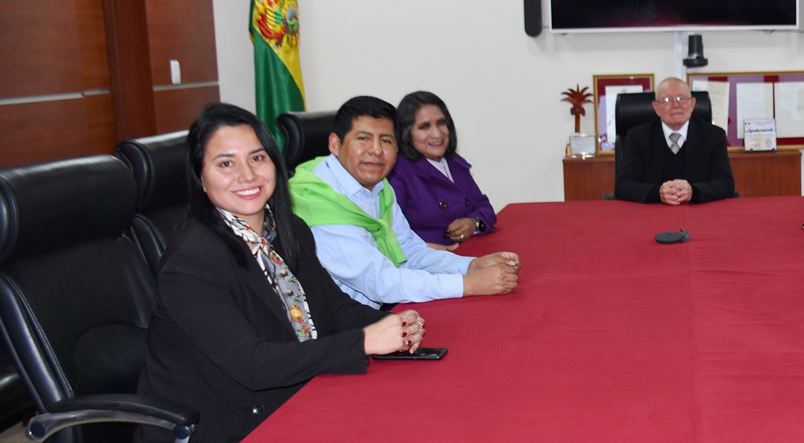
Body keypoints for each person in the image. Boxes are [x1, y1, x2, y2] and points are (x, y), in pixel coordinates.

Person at [138, 103, 425, 442]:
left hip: (297, 396)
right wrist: (364, 342)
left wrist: (390, 325)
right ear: (200, 176)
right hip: (225, 424)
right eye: (226, 164)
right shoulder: (191, 263)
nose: (247, 175)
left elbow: (333, 309)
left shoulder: (288, 229)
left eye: (257, 158)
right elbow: (253, 365)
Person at [288, 96, 519, 308]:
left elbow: (409, 250)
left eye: (386, 140)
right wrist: (468, 284)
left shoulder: (378, 186)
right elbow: (379, 282)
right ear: (335, 145)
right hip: (342, 331)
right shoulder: (320, 202)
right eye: (363, 139)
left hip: (385, 310)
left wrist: (470, 266)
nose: (376, 150)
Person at [388, 91, 497, 246]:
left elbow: (484, 206)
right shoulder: (398, 172)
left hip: (472, 252)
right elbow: (392, 233)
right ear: (407, 133)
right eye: (424, 127)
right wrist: (426, 249)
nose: (437, 134)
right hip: (429, 263)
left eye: (441, 123)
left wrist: (474, 224)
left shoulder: (455, 163)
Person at [614, 77, 734, 205]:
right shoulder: (638, 137)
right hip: (652, 214)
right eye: (666, 100)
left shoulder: (714, 136)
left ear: (692, 104)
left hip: (699, 214)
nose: (676, 105)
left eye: (682, 98)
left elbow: (725, 184)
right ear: (656, 107)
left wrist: (694, 192)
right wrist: (657, 193)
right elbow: (623, 186)